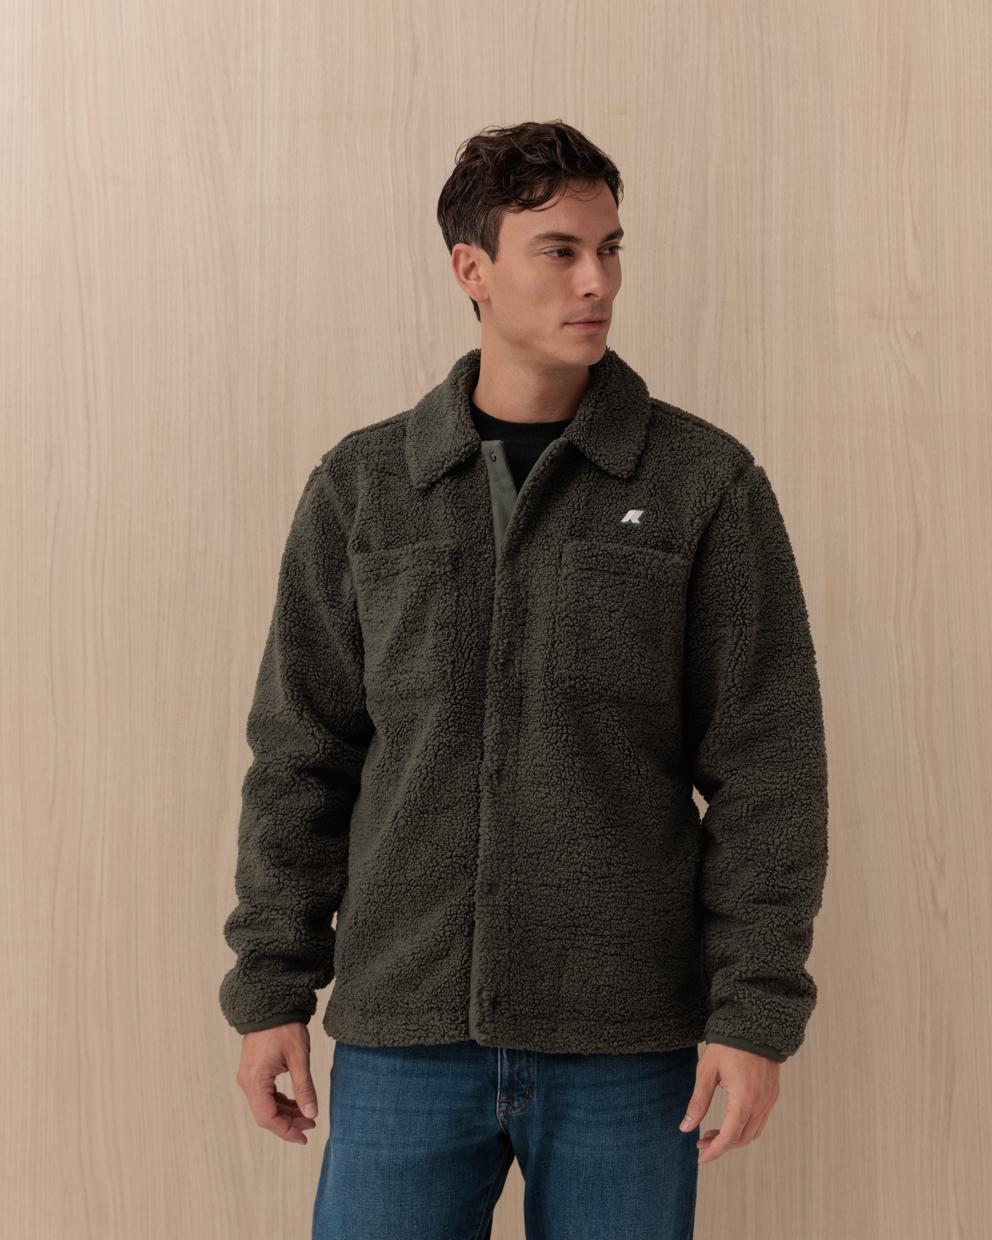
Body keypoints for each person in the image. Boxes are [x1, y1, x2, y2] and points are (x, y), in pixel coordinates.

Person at [219, 119, 829, 1240]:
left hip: (625, 1043)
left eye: (610, 248)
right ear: (473, 269)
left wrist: (753, 1013)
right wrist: (270, 989)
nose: (597, 281)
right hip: (403, 1033)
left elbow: (769, 768)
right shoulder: (365, 486)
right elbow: (302, 754)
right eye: (559, 250)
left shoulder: (703, 483)